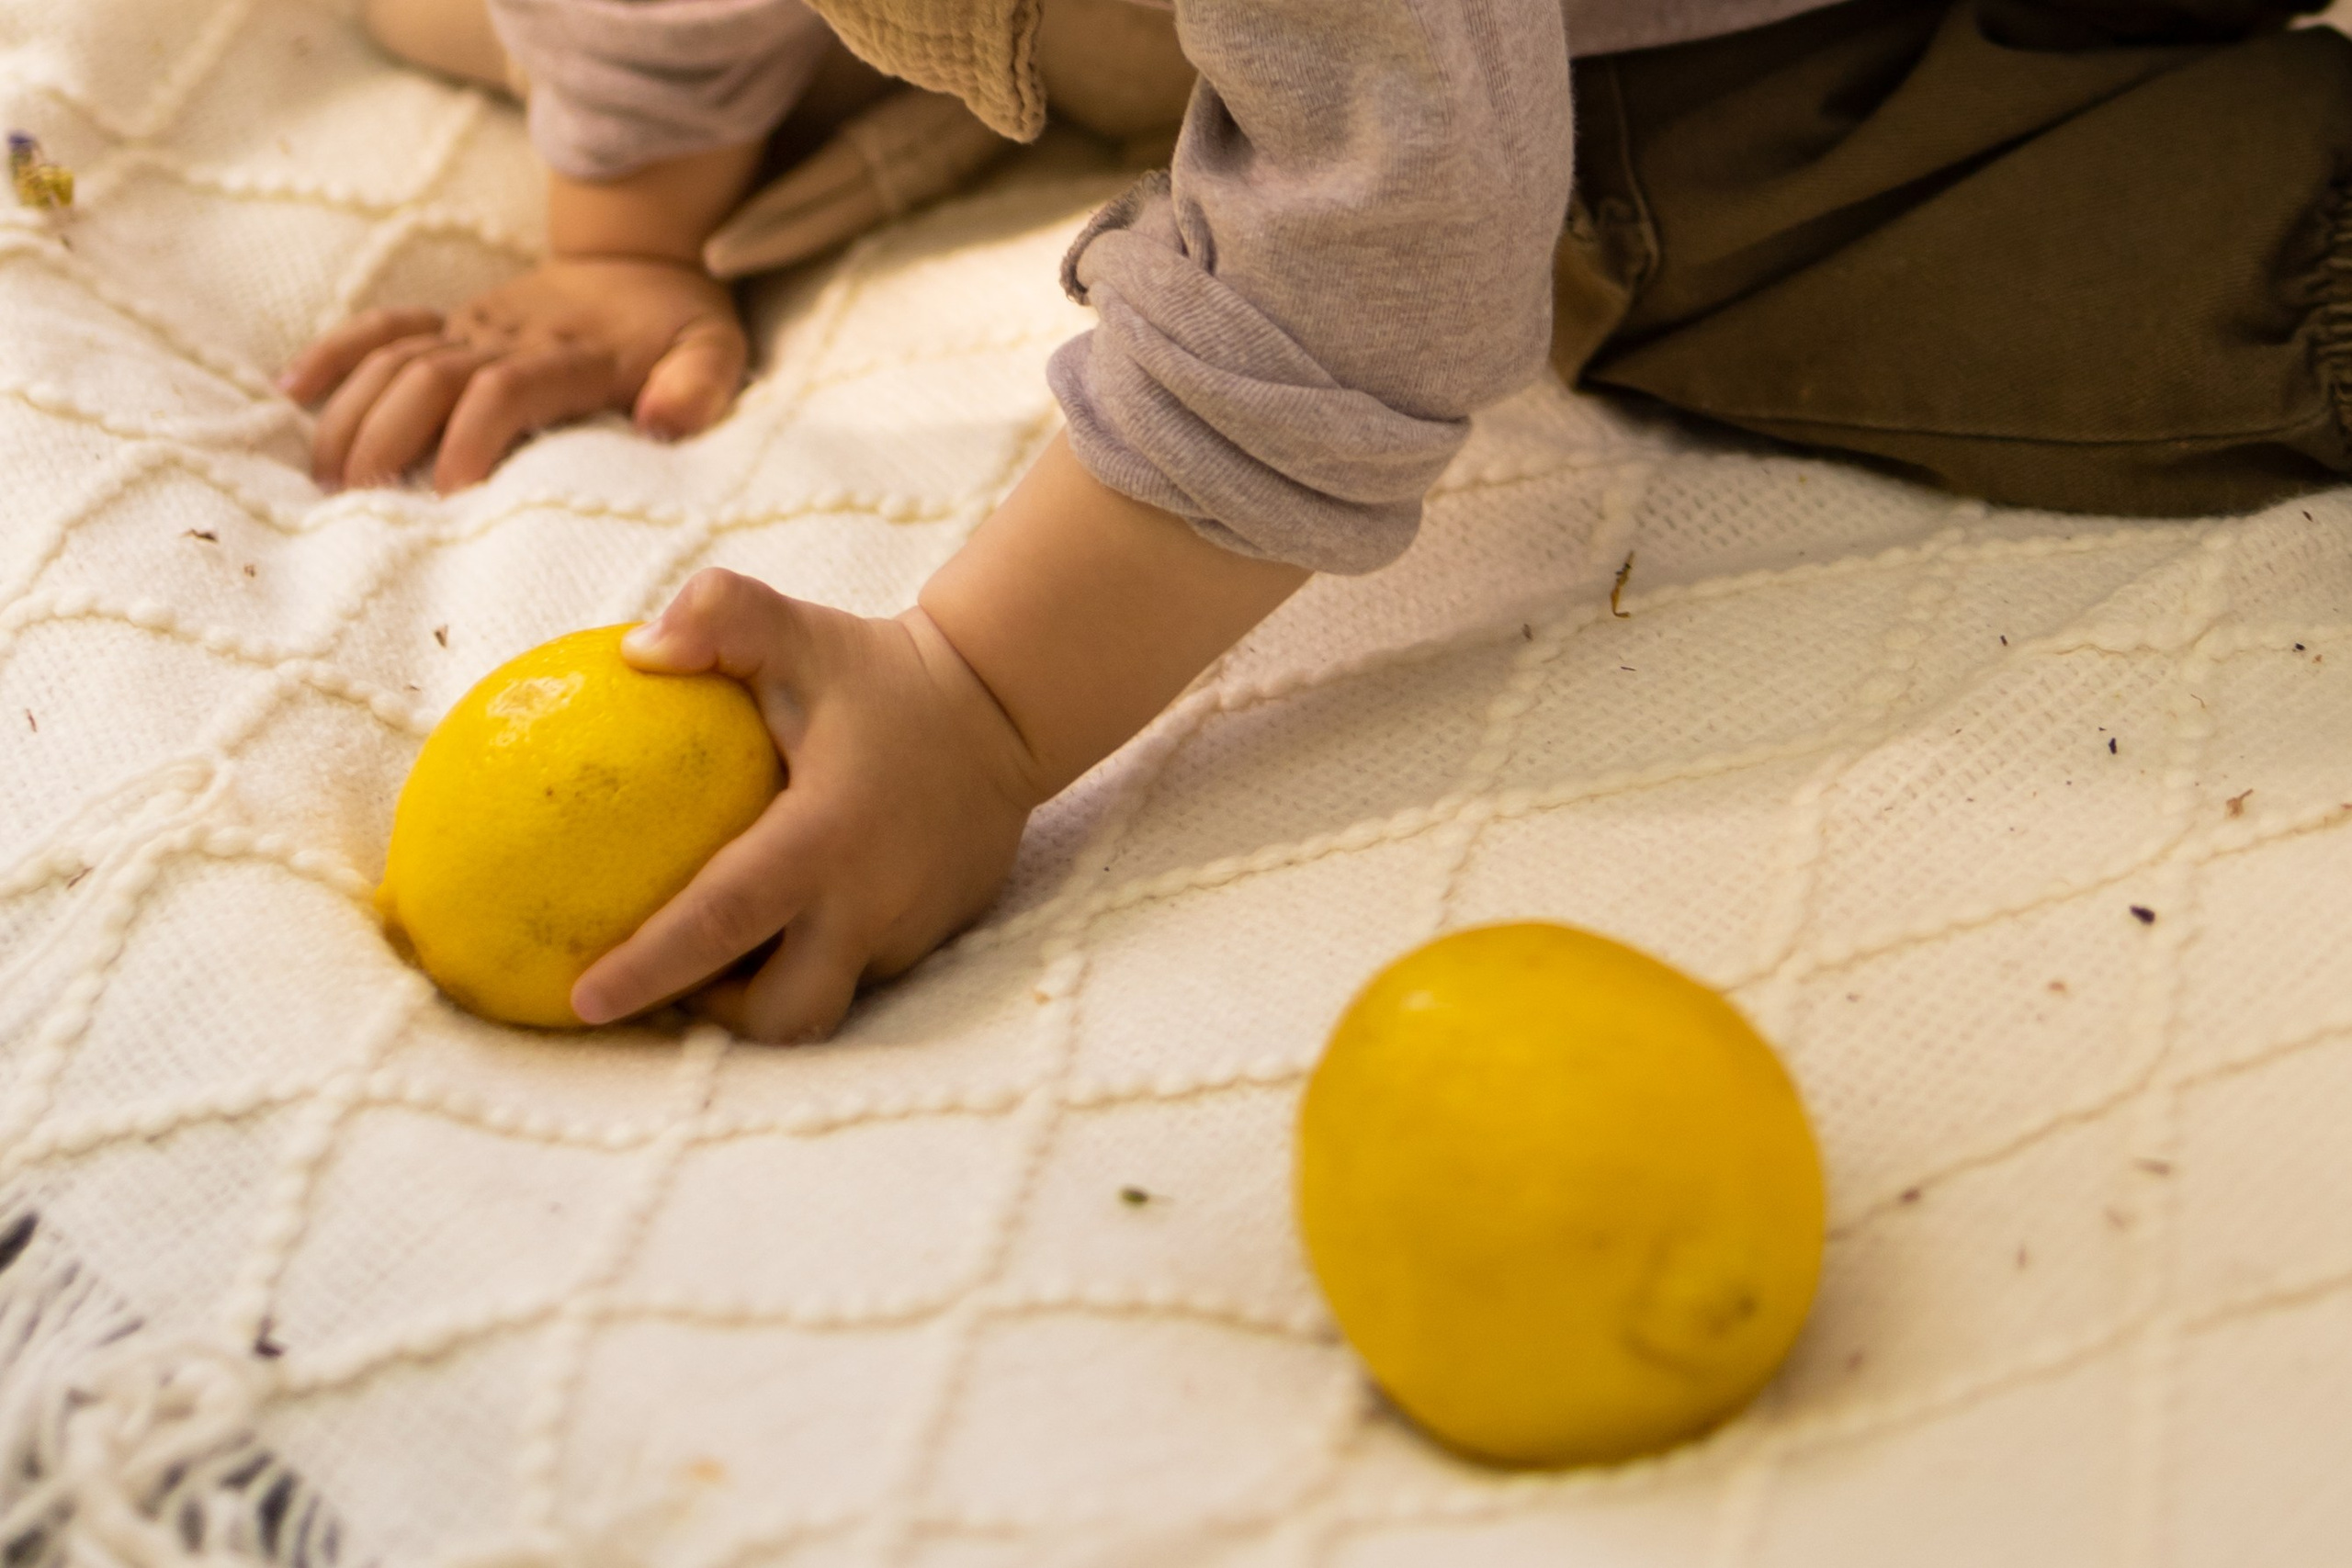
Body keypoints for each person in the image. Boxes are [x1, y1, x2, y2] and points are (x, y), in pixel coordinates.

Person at [281, 0, 2352, 1042]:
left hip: (1730, 81)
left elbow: (1392, 241)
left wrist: (982, 701)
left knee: (2218, 250)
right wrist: (621, 232)